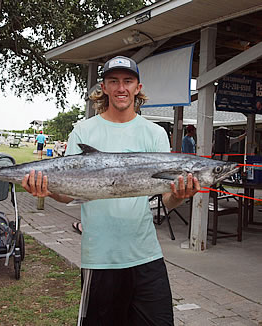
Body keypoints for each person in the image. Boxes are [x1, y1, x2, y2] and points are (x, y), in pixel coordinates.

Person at [22, 56, 200, 325]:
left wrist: (179, 194)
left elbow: (166, 198)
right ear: (103, 88)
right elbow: (68, 193)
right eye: (113, 81)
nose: (121, 88)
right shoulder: (83, 130)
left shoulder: (154, 134)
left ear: (138, 87)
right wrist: (47, 191)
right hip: (100, 258)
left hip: (145, 254)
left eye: (127, 81)